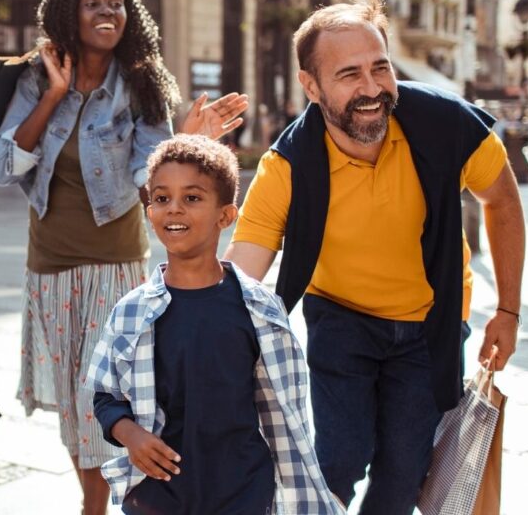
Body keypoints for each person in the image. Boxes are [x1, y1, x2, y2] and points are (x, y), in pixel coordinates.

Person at [224, 0, 526, 513]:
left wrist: (508, 310)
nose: (371, 89)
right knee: (339, 457)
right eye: (349, 75)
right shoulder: (287, 164)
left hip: (431, 322)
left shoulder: (446, 125)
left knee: (404, 474)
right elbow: (243, 273)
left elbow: (501, 199)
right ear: (311, 86)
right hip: (341, 317)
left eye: (379, 68)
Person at [0, 0, 247, 515]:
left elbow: (147, 177)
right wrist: (54, 95)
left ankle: (97, 507)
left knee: (98, 396)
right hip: (49, 264)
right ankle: (94, 501)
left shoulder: (141, 83)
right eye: (93, 4)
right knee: (73, 407)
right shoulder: (34, 76)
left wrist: (184, 142)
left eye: (116, 4)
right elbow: (3, 165)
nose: (107, 13)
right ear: (67, 14)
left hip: (114, 263)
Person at [87, 135, 344, 515]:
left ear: (225, 216)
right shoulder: (130, 312)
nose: (173, 209)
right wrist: (132, 435)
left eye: (191, 198)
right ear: (148, 209)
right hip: (160, 494)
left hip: (244, 493)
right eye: (161, 198)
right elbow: (104, 395)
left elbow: (289, 417)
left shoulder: (259, 310)